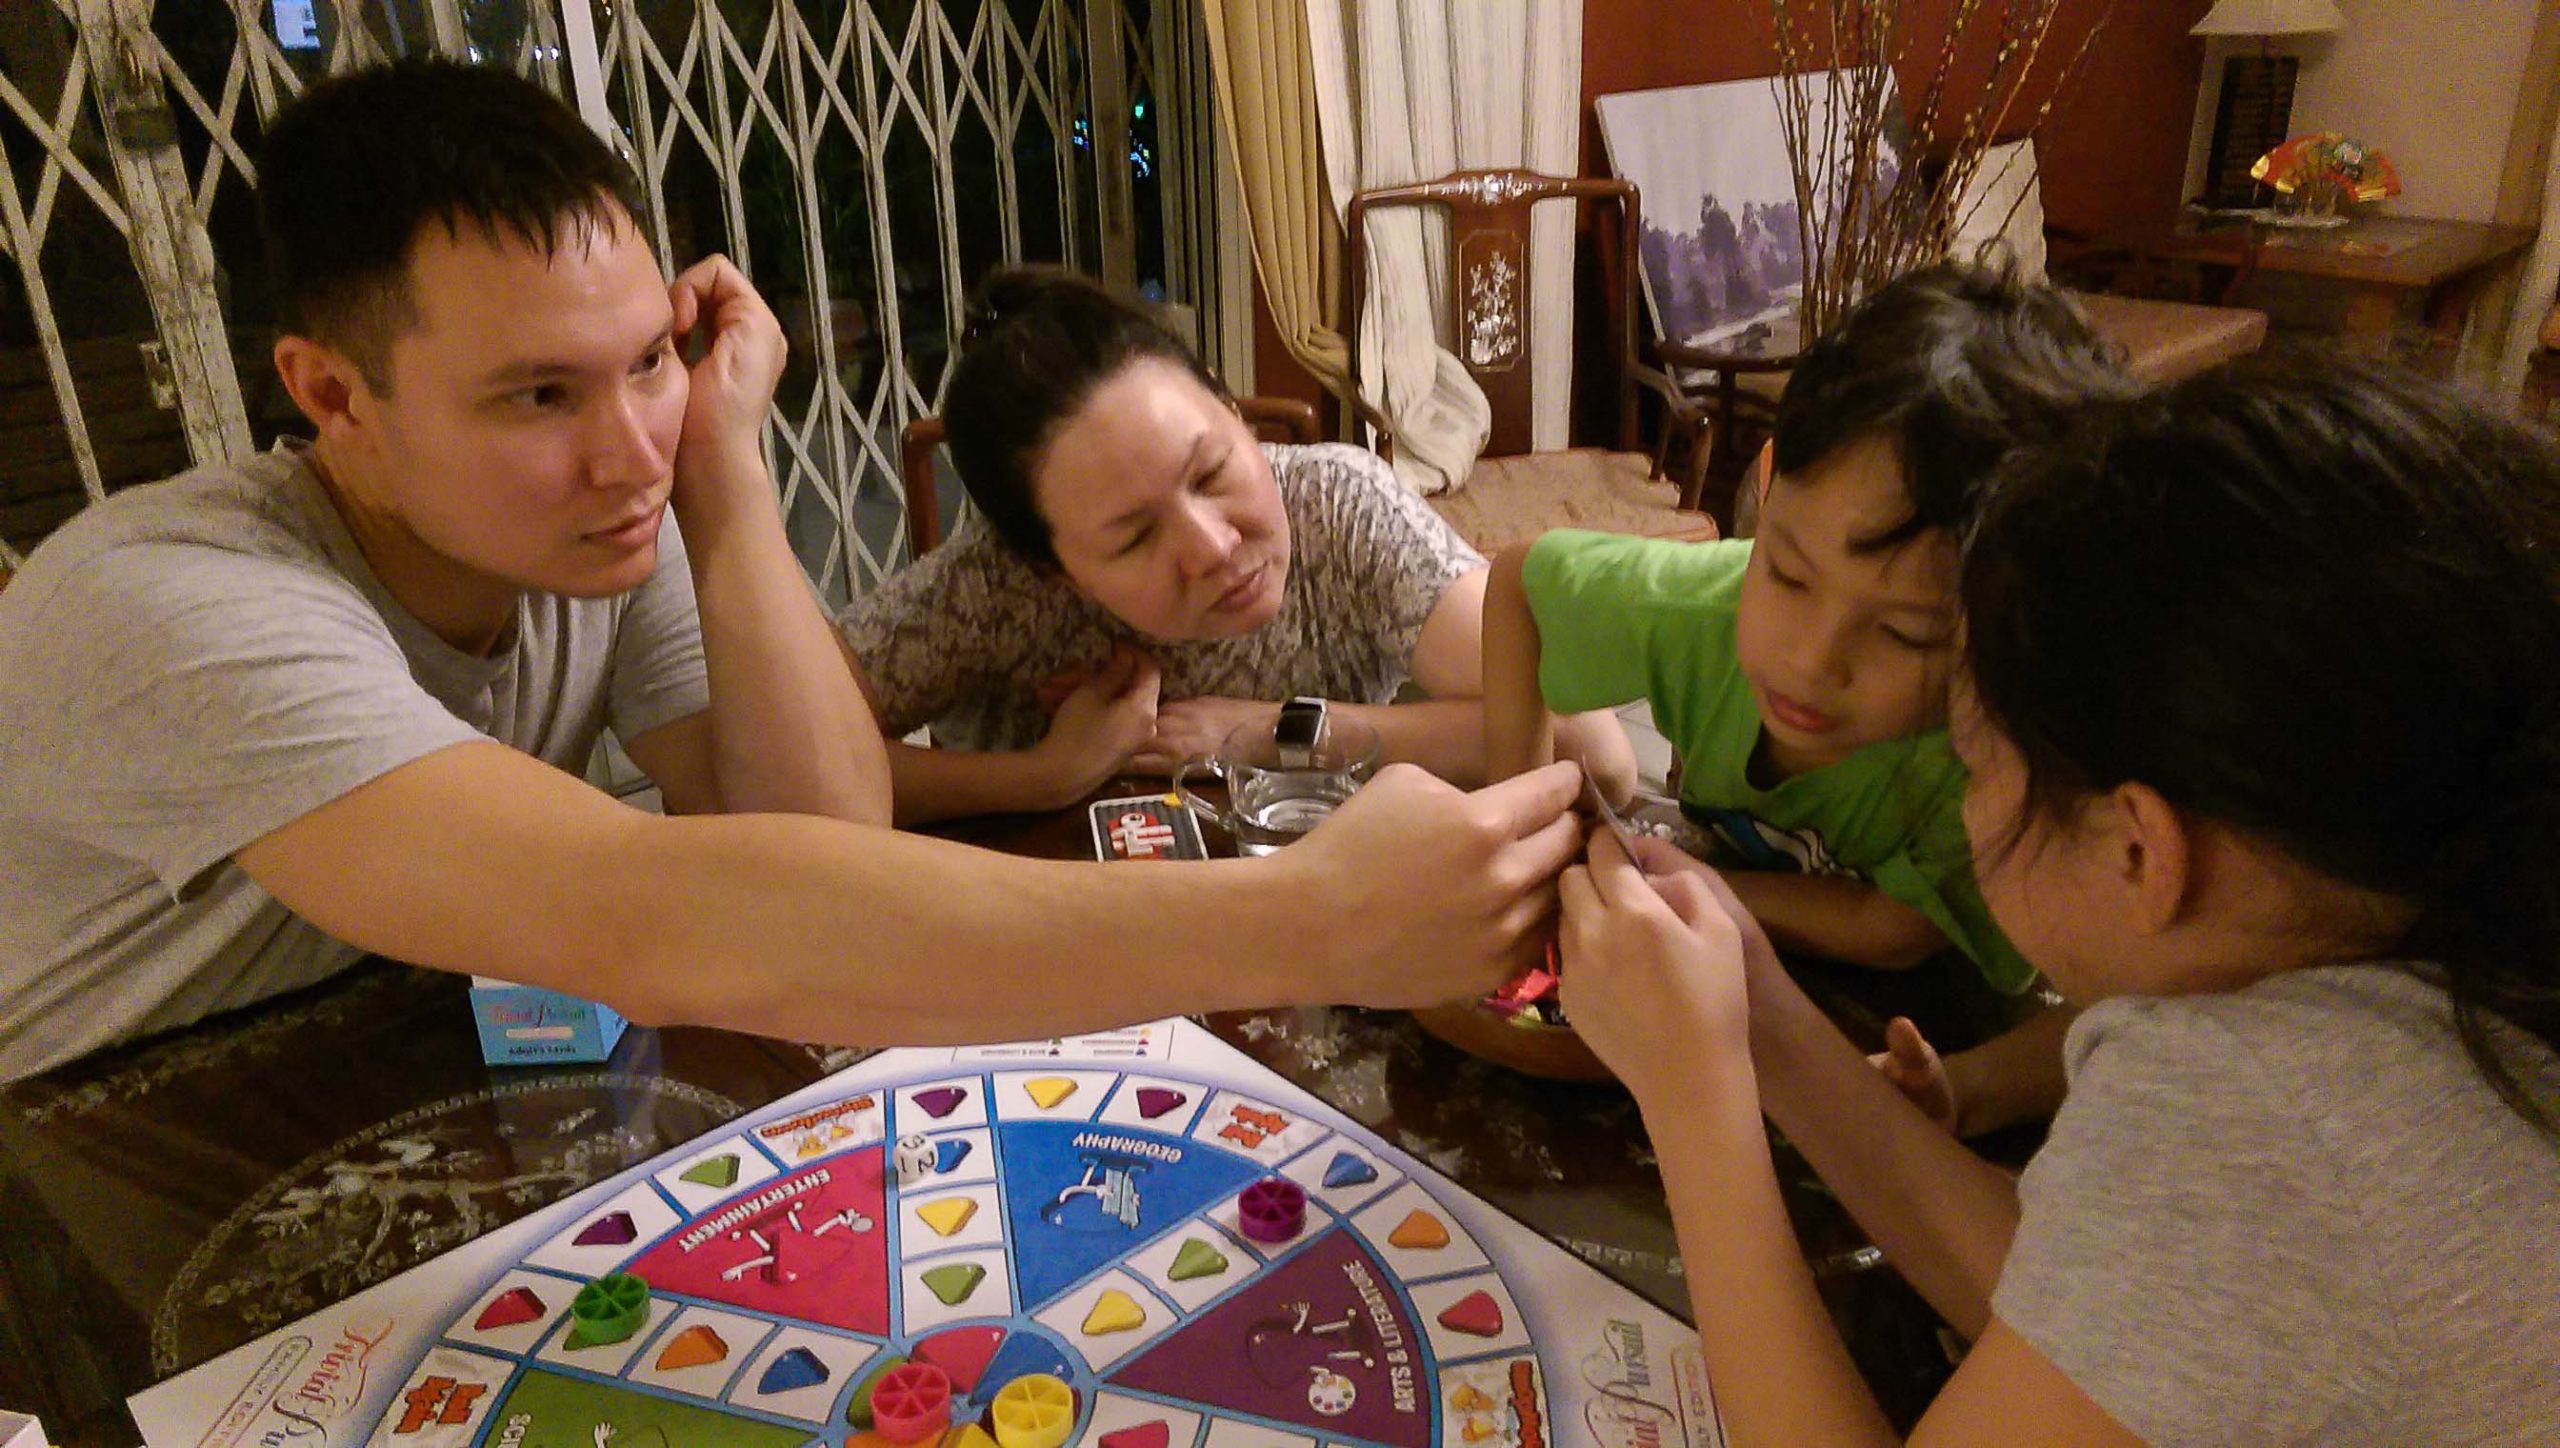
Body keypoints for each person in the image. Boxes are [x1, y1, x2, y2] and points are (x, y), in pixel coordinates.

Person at [0, 60, 1585, 1084]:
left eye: (647, 362)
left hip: (359, 1089)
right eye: (538, 396)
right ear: (332, 395)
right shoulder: (169, 608)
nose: (626, 448)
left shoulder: (614, 524)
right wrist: (1305, 917)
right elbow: (664, 921)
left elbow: (820, 836)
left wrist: (724, 473)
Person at [1558, 358, 2560, 1442]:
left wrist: (1692, 1094)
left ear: (2139, 851)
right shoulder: (2447, 963)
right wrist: (1761, 1016)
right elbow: (2111, 1315)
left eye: (1976, 763)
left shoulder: (2267, 1110)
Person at [1485, 264, 2135, 1132]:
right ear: (1764, 487)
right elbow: (1520, 584)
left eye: (1903, 632)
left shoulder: (1990, 752)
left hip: (1908, 1019)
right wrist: (1519, 832)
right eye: (1789, 574)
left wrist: (1696, 888)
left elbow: (1896, 932)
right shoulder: (1700, 611)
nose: (1810, 661)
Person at [839, 266, 1628, 825]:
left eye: (1212, 471)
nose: (1213, 546)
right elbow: (782, 773)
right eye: (1135, 537)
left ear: (1232, 409)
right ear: (1055, 568)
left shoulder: (1338, 508)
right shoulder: (995, 587)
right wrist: (1042, 777)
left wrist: (1277, 733)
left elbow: (1594, 750)